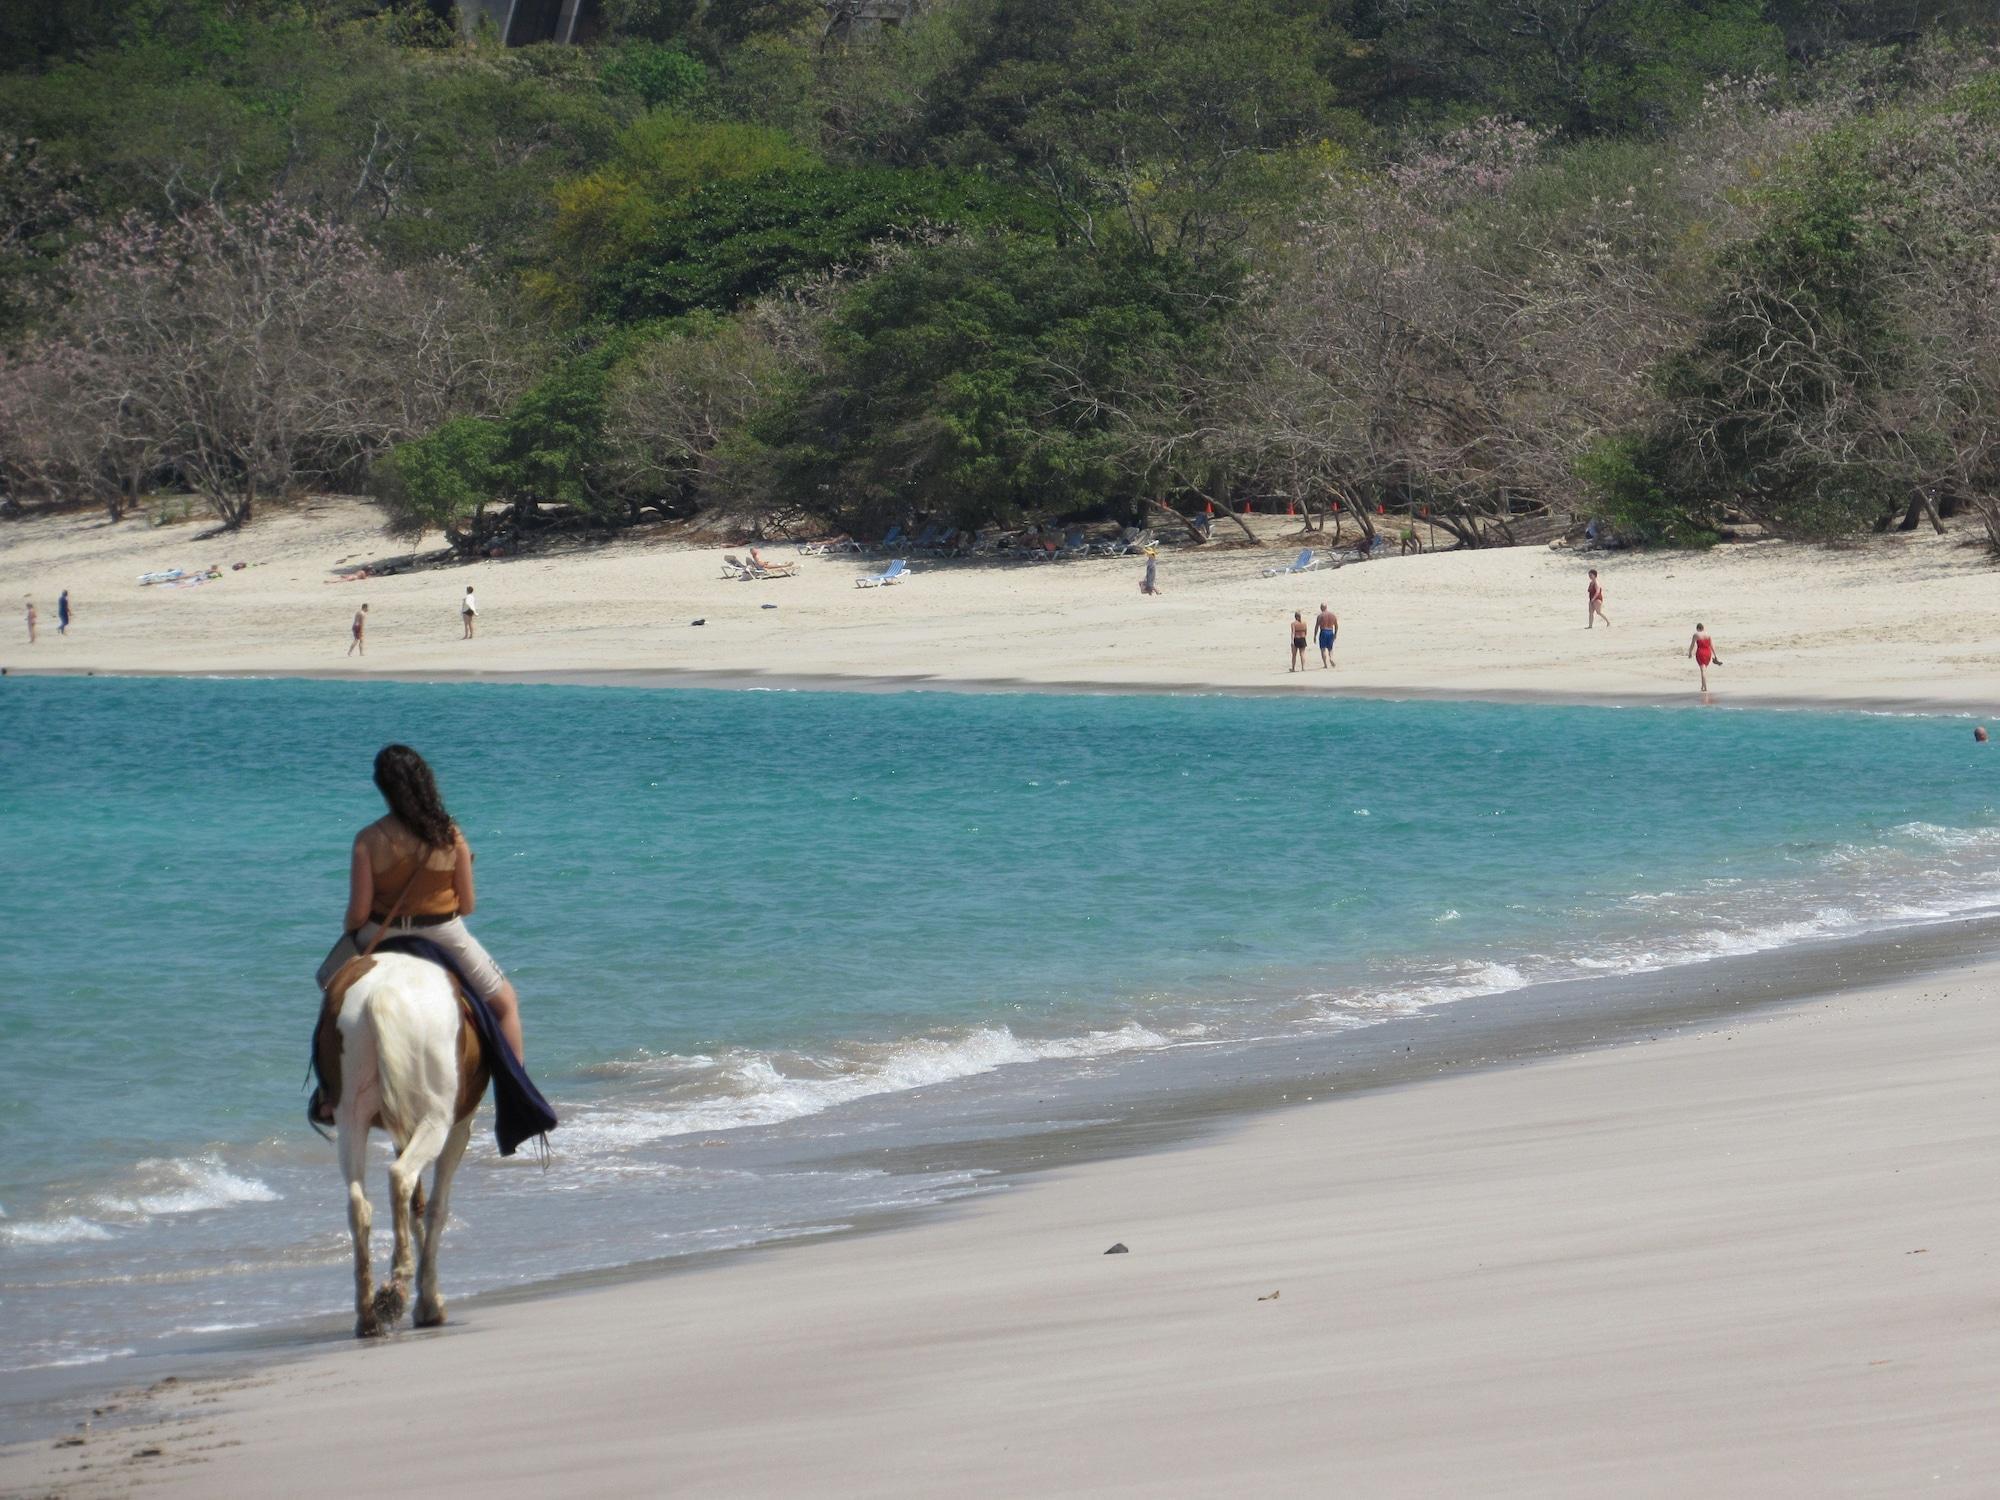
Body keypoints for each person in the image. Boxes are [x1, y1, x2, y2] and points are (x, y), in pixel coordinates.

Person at [311, 744, 526, 1123]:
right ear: (426, 781)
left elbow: (358, 913)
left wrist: (354, 928)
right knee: (506, 1003)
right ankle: (516, 1092)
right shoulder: (450, 834)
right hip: (444, 933)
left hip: (383, 932)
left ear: (384, 788)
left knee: (331, 992)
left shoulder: (368, 838)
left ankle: (329, 1095)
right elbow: (469, 905)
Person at [1687, 622, 1721, 693]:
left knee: (1703, 670)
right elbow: (1712, 646)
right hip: (1708, 653)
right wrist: (1716, 656)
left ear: (1698, 629)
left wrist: (1690, 653)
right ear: (1703, 628)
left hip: (1700, 652)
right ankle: (1702, 686)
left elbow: (1692, 645)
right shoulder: (1708, 634)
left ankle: (1705, 688)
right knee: (1703, 669)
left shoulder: (1696, 634)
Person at [1315, 602, 1339, 668]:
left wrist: (1315, 635)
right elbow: (1336, 625)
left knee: (1323, 649)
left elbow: (1317, 626)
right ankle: (1331, 658)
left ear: (1321, 608)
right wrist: (1335, 634)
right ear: (1326, 607)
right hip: (1330, 631)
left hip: (1323, 632)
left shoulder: (1320, 616)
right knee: (1330, 648)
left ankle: (1325, 664)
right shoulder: (1332, 615)